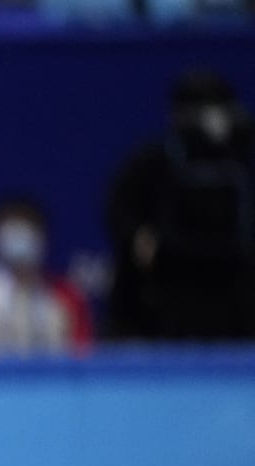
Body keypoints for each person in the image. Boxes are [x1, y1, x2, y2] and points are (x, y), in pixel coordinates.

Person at [105, 70, 255, 341]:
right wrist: (137, 234)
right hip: (169, 296)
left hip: (237, 294)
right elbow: (120, 212)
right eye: (199, 110)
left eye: (217, 109)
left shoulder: (244, 162)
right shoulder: (153, 163)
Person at [0, 196, 93, 358]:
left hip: (50, 381)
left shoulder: (68, 295)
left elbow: (81, 360)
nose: (19, 238)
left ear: (43, 237)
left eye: (27, 229)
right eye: (11, 229)